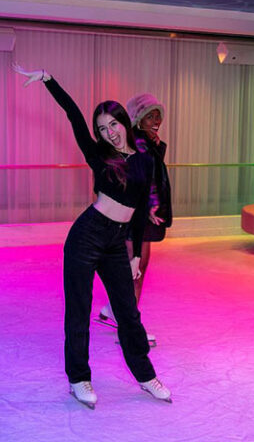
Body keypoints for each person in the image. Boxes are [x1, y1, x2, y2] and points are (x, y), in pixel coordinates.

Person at [12, 64, 171, 409]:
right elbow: (72, 115)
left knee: (128, 313)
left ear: (124, 123)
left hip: (116, 243)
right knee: (79, 310)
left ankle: (145, 376)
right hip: (86, 237)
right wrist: (48, 80)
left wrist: (134, 255)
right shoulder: (99, 154)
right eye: (102, 128)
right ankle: (79, 380)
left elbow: (142, 209)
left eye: (113, 124)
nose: (109, 132)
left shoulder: (145, 159)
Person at [98, 94, 172, 348]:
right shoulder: (139, 142)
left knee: (134, 269)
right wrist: (151, 204)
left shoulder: (145, 141)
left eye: (158, 114)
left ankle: (112, 309)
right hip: (140, 214)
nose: (157, 120)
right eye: (150, 115)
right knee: (136, 270)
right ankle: (129, 328)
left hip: (140, 213)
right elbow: (145, 178)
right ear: (138, 119)